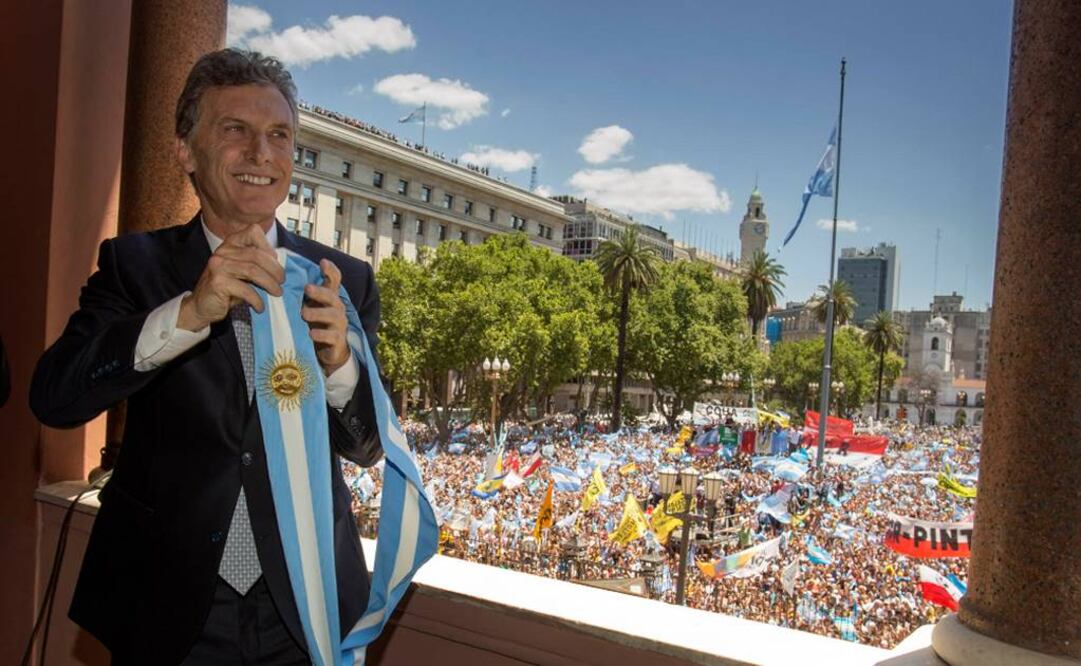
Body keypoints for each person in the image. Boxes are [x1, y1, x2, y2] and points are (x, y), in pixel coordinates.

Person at [30, 49, 382, 665]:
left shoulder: (343, 279)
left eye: (279, 135)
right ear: (186, 152)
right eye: (235, 130)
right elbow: (55, 397)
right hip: (164, 600)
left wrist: (340, 370)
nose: (261, 153)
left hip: (307, 604)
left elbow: (369, 446)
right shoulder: (134, 266)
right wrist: (189, 314)